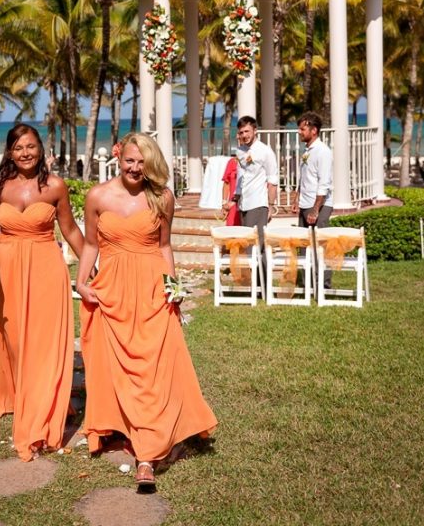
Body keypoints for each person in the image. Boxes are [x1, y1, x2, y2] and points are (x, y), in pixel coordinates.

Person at [76, 132, 217, 489]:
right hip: (112, 291)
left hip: (153, 290)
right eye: (130, 160)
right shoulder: (97, 196)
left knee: (153, 369)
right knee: (120, 369)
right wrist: (80, 282)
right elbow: (91, 243)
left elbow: (165, 246)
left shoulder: (162, 197)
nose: (136, 168)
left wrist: (173, 287)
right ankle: (125, 426)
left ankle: (147, 455)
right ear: (119, 157)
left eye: (143, 162)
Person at [0, 123, 84, 461]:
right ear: (10, 152)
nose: (25, 153)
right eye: (18, 147)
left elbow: (70, 230)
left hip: (45, 271)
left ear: (41, 148)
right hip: (7, 273)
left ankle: (41, 417)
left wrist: (91, 265)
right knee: (16, 344)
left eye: (31, 146)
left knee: (43, 344)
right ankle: (31, 397)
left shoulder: (55, 186)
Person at [221, 117, 278, 257]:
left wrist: (271, 207)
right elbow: (241, 179)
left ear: (255, 130)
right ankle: (255, 271)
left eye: (247, 131)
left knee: (257, 245)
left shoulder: (265, 151)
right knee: (249, 245)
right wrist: (233, 200)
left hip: (258, 204)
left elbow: (272, 181)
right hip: (243, 205)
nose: (244, 135)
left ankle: (261, 272)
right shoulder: (240, 151)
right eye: (241, 132)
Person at [291, 111, 333, 287]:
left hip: (319, 206)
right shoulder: (308, 150)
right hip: (305, 203)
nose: (299, 132)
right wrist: (297, 199)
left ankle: (323, 284)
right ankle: (308, 283)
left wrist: (316, 210)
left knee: (320, 246)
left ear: (314, 130)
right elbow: (304, 178)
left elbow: (324, 183)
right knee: (304, 246)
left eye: (302, 129)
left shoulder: (323, 151)